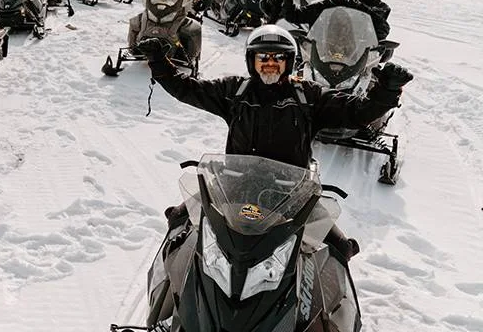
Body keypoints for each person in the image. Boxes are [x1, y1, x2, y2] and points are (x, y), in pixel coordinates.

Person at [144, 24, 413, 261]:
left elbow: (357, 112)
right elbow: (187, 89)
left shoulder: (308, 96)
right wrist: (159, 62)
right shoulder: (234, 92)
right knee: (178, 218)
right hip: (233, 186)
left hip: (293, 194)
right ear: (252, 60)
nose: (270, 63)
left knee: (341, 249)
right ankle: (166, 295)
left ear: (289, 61)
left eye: (278, 58)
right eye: (263, 57)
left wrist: (387, 91)